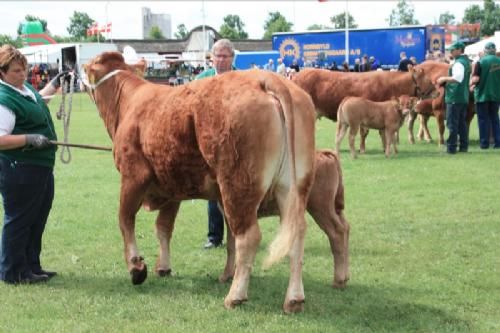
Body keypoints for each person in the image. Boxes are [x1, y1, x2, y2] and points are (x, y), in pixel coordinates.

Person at [0, 45, 68, 284]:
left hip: (39, 168)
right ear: (2, 73)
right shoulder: (4, 98)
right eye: (16, 71)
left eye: (24, 70)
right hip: (20, 168)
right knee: (19, 219)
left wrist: (58, 82)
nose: (22, 75)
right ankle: (13, 271)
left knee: (37, 218)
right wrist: (29, 139)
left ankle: (31, 266)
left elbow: (40, 99)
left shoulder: (24, 89)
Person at [196, 39, 236, 249]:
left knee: (238, 190)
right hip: (209, 143)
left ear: (232, 58)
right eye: (217, 56)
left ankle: (240, 233)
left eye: (225, 56)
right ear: (211, 58)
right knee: (213, 190)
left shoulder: (242, 79)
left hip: (237, 142)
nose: (220, 60)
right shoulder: (202, 80)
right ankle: (214, 236)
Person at [436, 41, 471, 154]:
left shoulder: (459, 63)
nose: (450, 51)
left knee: (452, 123)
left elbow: (458, 78)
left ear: (460, 50)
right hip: (462, 97)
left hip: (454, 97)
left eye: (453, 49)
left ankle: (451, 148)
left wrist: (443, 79)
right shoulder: (465, 62)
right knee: (461, 124)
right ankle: (463, 147)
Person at [470, 42, 500, 149]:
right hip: (496, 95)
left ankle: (484, 144)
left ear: (485, 50)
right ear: (494, 50)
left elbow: (476, 79)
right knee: (495, 118)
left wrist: (471, 85)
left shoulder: (481, 62)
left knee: (483, 120)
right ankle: (498, 143)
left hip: (482, 95)